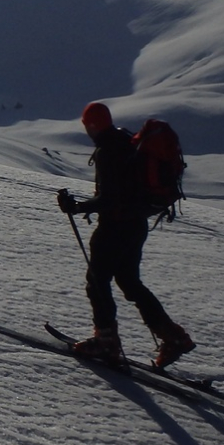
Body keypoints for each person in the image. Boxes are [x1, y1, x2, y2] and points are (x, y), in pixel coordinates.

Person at [58, 102, 195, 368]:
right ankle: (174, 338)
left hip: (115, 227)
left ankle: (106, 342)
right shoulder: (126, 140)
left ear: (92, 125)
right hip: (136, 225)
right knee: (130, 283)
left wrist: (78, 207)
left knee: (97, 281)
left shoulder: (108, 151)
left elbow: (110, 199)